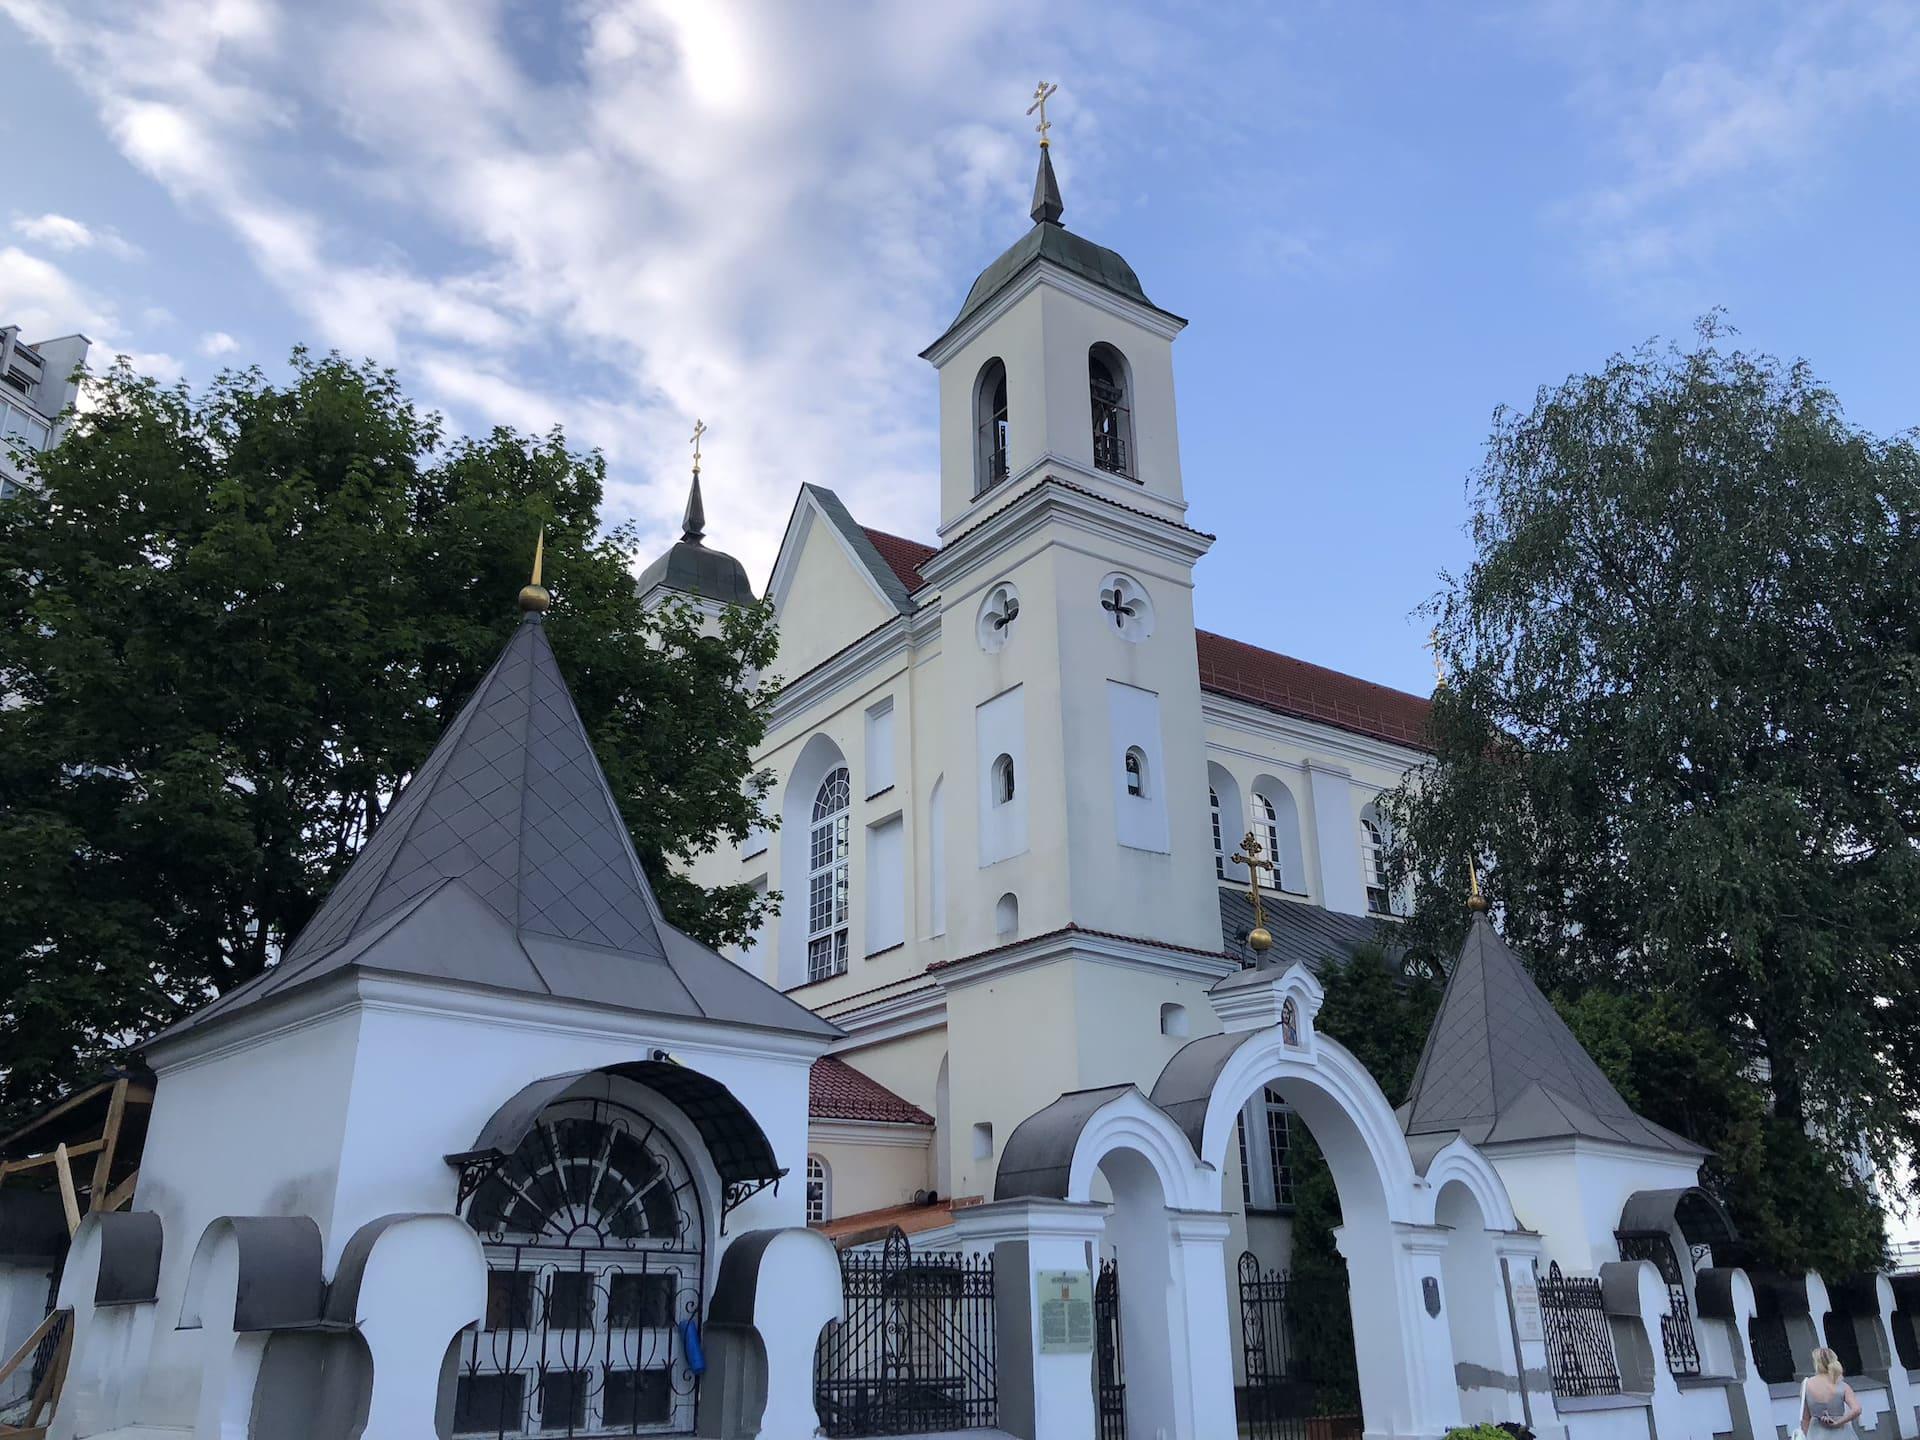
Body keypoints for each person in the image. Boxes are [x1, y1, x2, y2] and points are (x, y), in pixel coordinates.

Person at [1800, 1346, 1863, 1435]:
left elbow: (1805, 1418)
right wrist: (1838, 1422)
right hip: (1841, 1433)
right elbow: (1857, 1409)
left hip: (1817, 1434)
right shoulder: (1841, 1385)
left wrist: (1807, 1436)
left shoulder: (1806, 1384)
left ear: (1816, 1363)